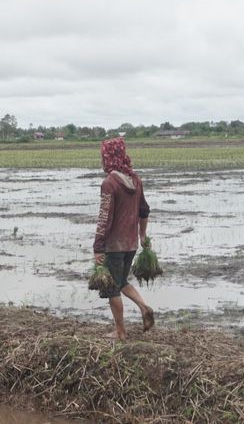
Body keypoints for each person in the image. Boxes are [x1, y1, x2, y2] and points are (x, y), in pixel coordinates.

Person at [93, 137, 153, 341]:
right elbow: (144, 210)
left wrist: (98, 248)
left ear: (108, 158)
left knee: (111, 289)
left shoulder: (109, 183)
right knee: (121, 281)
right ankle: (144, 307)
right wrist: (142, 235)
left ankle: (120, 331)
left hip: (114, 245)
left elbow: (104, 218)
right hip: (131, 244)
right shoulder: (135, 180)